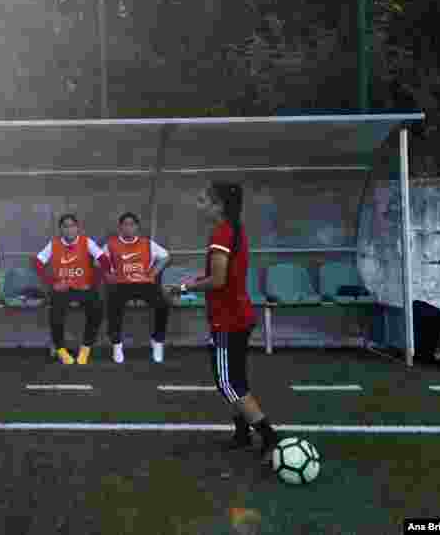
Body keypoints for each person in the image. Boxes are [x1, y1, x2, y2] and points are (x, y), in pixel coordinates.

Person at [177, 183, 280, 462]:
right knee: (236, 379)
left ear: (219, 205)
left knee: (227, 383)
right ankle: (242, 434)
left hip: (229, 320)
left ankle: (270, 437)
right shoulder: (235, 229)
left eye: (203, 200)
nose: (200, 205)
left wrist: (186, 287)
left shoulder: (222, 232)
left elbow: (219, 280)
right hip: (237, 316)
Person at [34, 214, 106, 365]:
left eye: (72, 226)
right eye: (65, 226)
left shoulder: (87, 242)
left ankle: (85, 349)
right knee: (55, 312)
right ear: (60, 229)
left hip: (83, 287)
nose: (69, 229)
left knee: (97, 308)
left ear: (78, 228)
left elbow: (104, 261)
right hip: (62, 288)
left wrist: (92, 282)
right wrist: (52, 282)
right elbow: (38, 263)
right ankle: (61, 350)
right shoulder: (53, 244)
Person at [101, 212, 172, 364]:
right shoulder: (111, 244)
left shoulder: (146, 243)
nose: (128, 227)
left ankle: (157, 341)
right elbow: (99, 260)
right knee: (113, 304)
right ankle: (117, 344)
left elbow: (166, 256)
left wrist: (152, 273)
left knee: (163, 303)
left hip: (144, 283)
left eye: (132, 224)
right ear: (120, 227)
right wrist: (109, 274)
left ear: (137, 227)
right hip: (121, 284)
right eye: (125, 224)